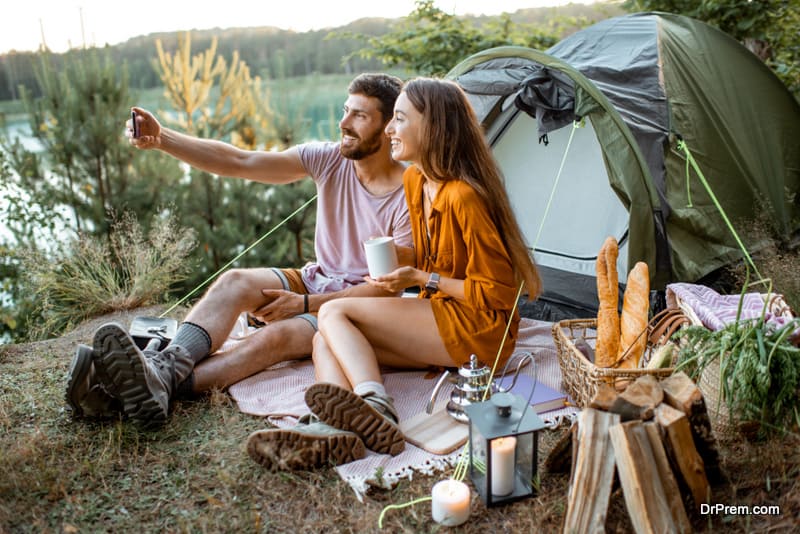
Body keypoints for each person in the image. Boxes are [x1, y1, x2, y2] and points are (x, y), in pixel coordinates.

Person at [66, 73, 414, 426]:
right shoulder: (328, 159)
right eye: (345, 110)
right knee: (234, 281)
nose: (343, 123)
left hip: (352, 310)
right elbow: (240, 161)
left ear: (388, 128)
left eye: (360, 116)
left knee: (275, 336)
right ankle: (161, 371)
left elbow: (386, 289)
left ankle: (138, 386)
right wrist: (162, 139)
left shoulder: (410, 193)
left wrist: (306, 305)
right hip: (317, 279)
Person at [246, 77, 541, 469]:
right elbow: (428, 255)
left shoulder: (464, 196)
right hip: (439, 315)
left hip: (480, 331)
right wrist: (394, 259)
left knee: (333, 313)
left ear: (431, 127)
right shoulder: (416, 180)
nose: (388, 130)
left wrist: (421, 280)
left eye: (399, 119)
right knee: (324, 339)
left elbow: (499, 295)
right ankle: (333, 428)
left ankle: (376, 407)